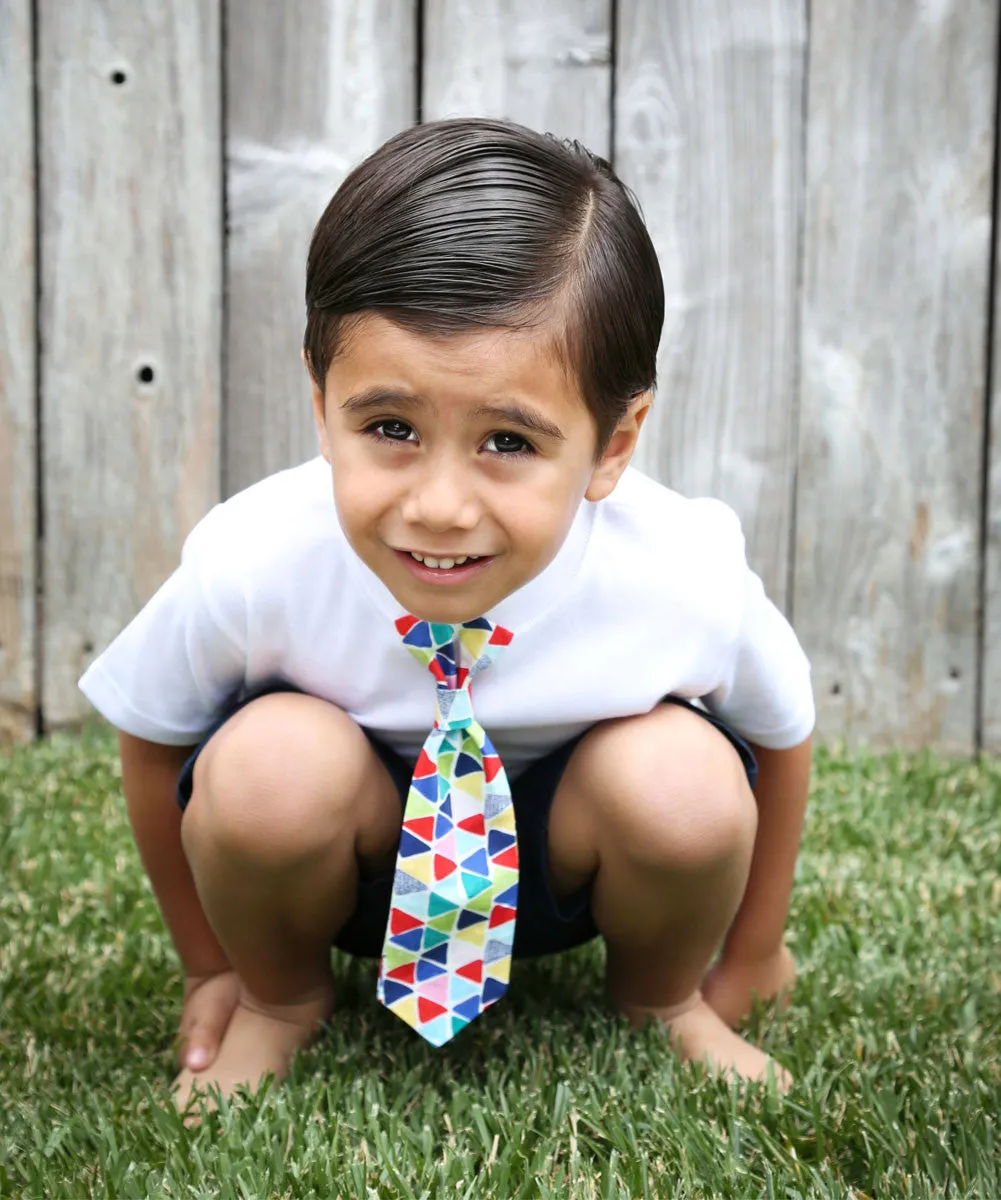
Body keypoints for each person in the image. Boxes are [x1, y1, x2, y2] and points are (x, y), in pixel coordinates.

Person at [79, 118, 814, 1110]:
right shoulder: (256, 557)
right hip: (349, 875)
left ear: (612, 443)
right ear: (320, 402)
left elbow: (782, 734)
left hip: (570, 866)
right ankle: (280, 998)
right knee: (270, 765)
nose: (436, 504)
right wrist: (210, 965)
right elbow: (152, 735)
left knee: (682, 779)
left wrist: (755, 946)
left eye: (506, 441)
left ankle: (660, 999)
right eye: (389, 427)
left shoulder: (678, 571)